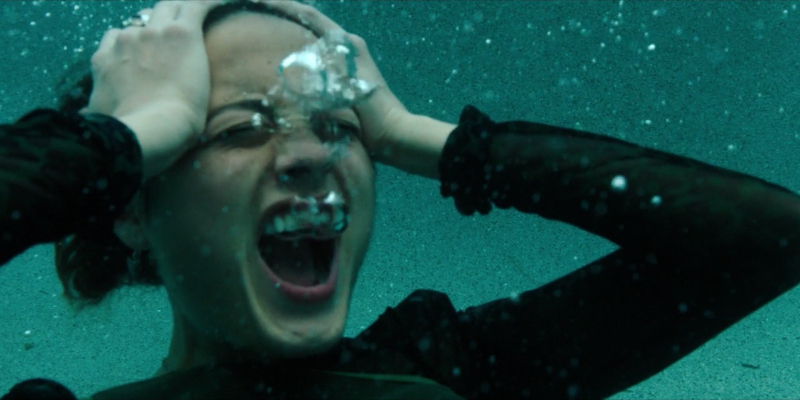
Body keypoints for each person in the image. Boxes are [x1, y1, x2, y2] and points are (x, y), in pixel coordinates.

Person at [3, 1, 800, 399]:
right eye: (241, 130)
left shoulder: (458, 372)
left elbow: (770, 237)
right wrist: (122, 140)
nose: (313, 153)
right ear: (132, 206)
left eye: (341, 128)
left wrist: (433, 140)